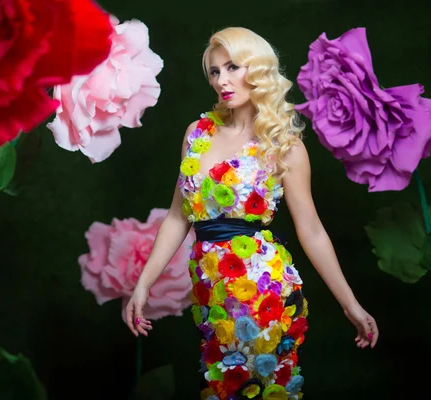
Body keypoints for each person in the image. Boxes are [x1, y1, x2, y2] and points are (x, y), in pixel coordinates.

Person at [125, 26, 379, 400]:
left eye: (233, 67)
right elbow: (179, 217)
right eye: (214, 71)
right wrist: (143, 285)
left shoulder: (283, 146)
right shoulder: (197, 133)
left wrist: (350, 303)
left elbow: (311, 230)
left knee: (261, 389)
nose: (222, 80)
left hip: (262, 289)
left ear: (257, 70)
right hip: (211, 290)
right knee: (220, 386)